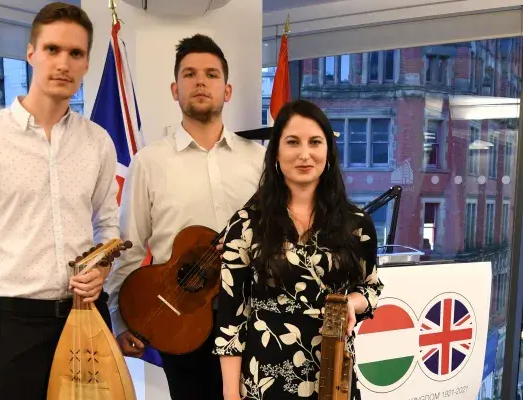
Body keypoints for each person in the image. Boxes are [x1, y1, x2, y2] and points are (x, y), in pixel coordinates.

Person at [0, 3, 119, 398]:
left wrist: (102, 270)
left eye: (75, 53)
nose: (63, 63)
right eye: (52, 49)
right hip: (17, 325)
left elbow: (108, 226)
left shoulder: (98, 141)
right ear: (31, 53)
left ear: (86, 62)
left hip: (88, 316)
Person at [104, 34, 266, 400]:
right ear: (175, 90)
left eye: (211, 74)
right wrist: (119, 317)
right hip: (180, 319)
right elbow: (128, 246)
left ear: (227, 90)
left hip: (254, 314)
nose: (200, 82)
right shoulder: (149, 162)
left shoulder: (259, 161)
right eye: (190, 74)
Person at [213, 99, 384, 400]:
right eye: (293, 142)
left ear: (328, 152)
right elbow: (231, 316)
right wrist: (230, 394)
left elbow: (370, 289)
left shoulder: (356, 223)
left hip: (334, 379)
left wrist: (351, 303)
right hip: (264, 381)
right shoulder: (246, 224)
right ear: (276, 153)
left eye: (315, 142)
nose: (305, 154)